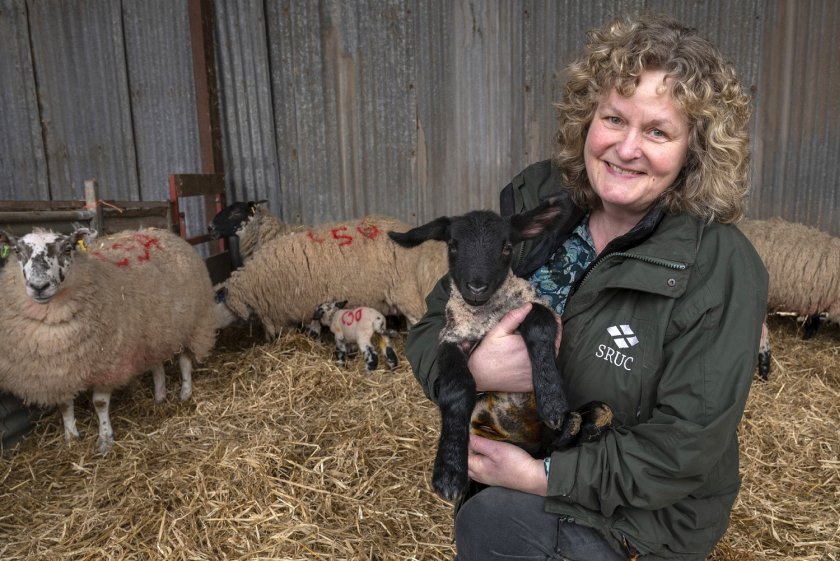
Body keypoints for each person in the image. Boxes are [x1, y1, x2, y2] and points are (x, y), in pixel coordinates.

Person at [405, 13, 769, 561]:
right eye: (614, 118)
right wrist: (475, 368)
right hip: (519, 458)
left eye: (658, 132)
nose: (626, 148)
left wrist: (542, 476)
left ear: (693, 151)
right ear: (587, 119)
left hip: (641, 520)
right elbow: (431, 326)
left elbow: (681, 448)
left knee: (495, 522)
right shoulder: (539, 202)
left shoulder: (721, 267)